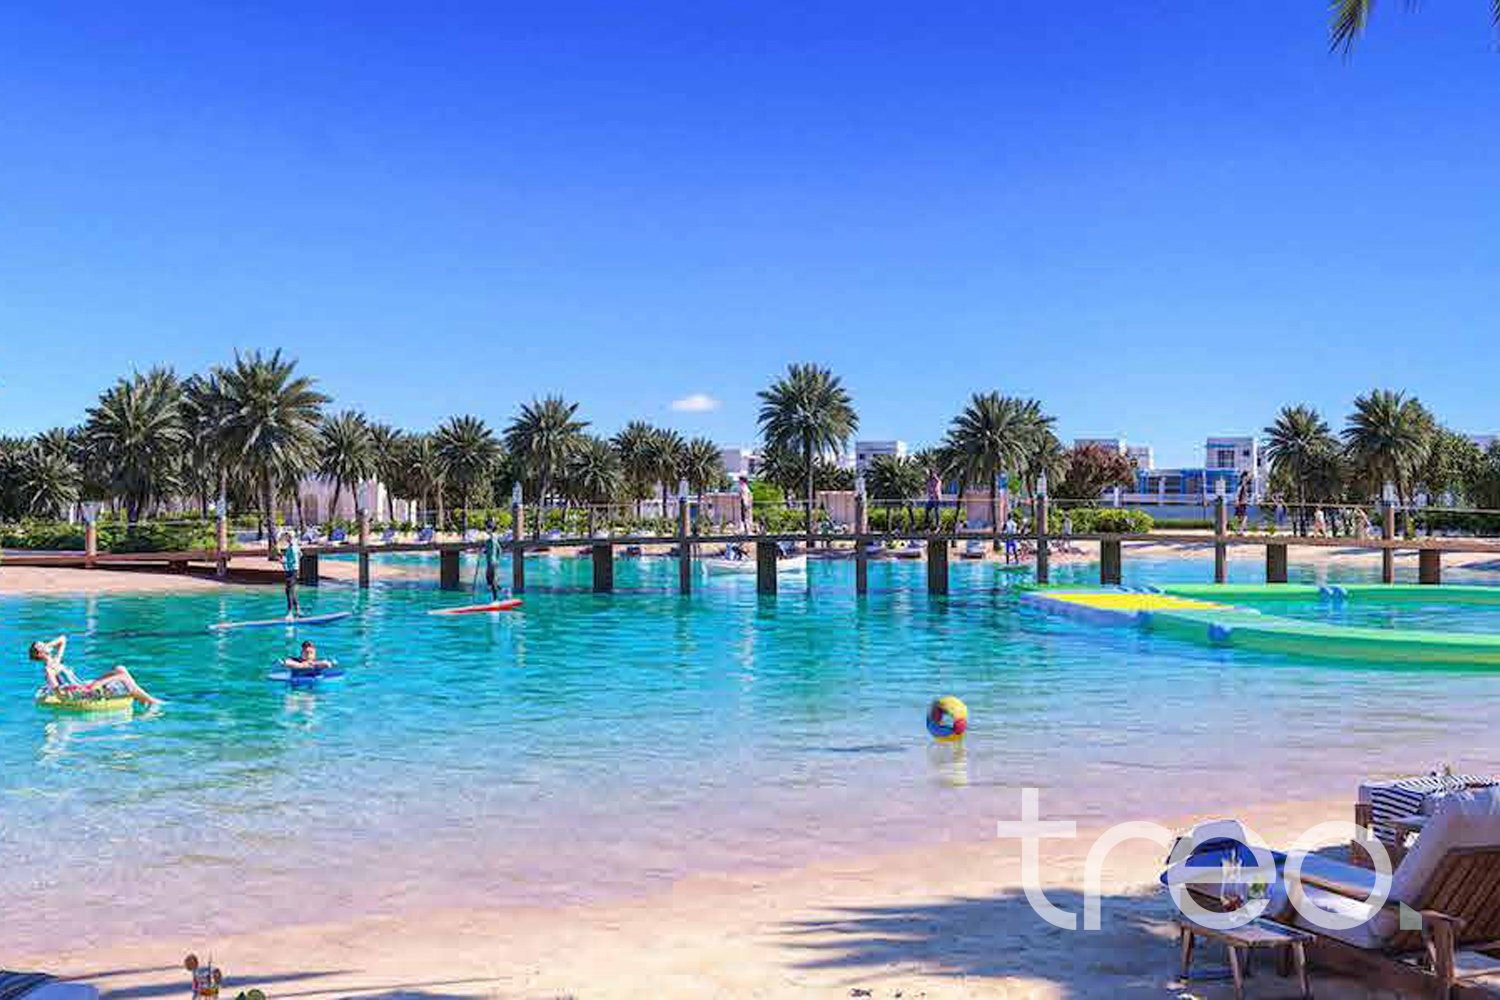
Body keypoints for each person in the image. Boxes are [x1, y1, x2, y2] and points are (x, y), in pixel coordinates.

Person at [30, 635, 159, 706]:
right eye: (41, 645)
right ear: (40, 654)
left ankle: (141, 697)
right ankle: (151, 701)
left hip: (86, 684)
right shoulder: (49, 669)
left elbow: (63, 639)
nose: (45, 644)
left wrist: (49, 645)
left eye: (44, 642)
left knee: (120, 669)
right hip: (83, 690)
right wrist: (72, 692)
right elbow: (58, 692)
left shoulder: (56, 661)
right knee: (122, 677)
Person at [276, 530, 302, 619]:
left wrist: (283, 561)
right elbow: (300, 554)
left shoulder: (293, 547)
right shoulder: (294, 546)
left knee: (289, 591)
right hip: (292, 570)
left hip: (292, 571)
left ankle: (290, 613)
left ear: (291, 537)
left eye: (287, 536)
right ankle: (298, 610)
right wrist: (284, 559)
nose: (286, 538)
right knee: (290, 591)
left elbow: (293, 559)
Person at [482, 518, 502, 602]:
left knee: (493, 581)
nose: (485, 530)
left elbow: (499, 549)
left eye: (486, 528)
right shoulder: (488, 540)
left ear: (490, 529)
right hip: (489, 562)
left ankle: (496, 599)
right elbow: (491, 549)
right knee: (488, 579)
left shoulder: (493, 537)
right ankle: (500, 589)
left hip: (493, 562)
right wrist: (485, 551)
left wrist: (497, 559)